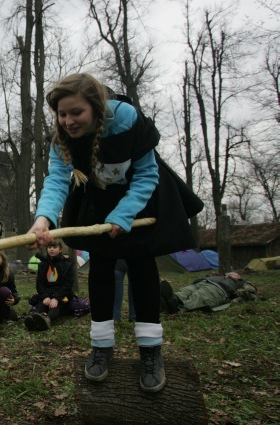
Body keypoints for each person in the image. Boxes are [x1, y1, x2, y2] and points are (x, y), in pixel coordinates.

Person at [27, 73, 202, 393]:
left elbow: (148, 174)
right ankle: (101, 347)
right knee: (102, 268)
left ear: (95, 107)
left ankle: (150, 352)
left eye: (76, 113)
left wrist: (124, 214)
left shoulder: (126, 121)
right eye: (62, 114)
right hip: (98, 202)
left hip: (139, 200)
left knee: (141, 266)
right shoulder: (61, 139)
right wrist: (43, 220)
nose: (68, 121)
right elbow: (55, 181)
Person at [25, 240, 75, 331]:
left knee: (54, 306)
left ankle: (46, 321)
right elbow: (39, 283)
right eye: (49, 247)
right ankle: (33, 321)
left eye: (54, 247)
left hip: (62, 294)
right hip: (47, 293)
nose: (51, 249)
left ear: (60, 250)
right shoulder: (42, 265)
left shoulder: (67, 264)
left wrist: (56, 298)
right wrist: (45, 296)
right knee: (42, 306)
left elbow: (68, 284)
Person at [160, 272, 261, 314]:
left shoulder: (240, 283)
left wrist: (240, 293)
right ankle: (171, 299)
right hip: (202, 282)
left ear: (238, 277)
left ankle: (177, 308)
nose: (232, 273)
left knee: (198, 297)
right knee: (184, 291)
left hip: (219, 289)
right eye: (231, 272)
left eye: (235, 274)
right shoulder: (218, 275)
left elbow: (251, 291)